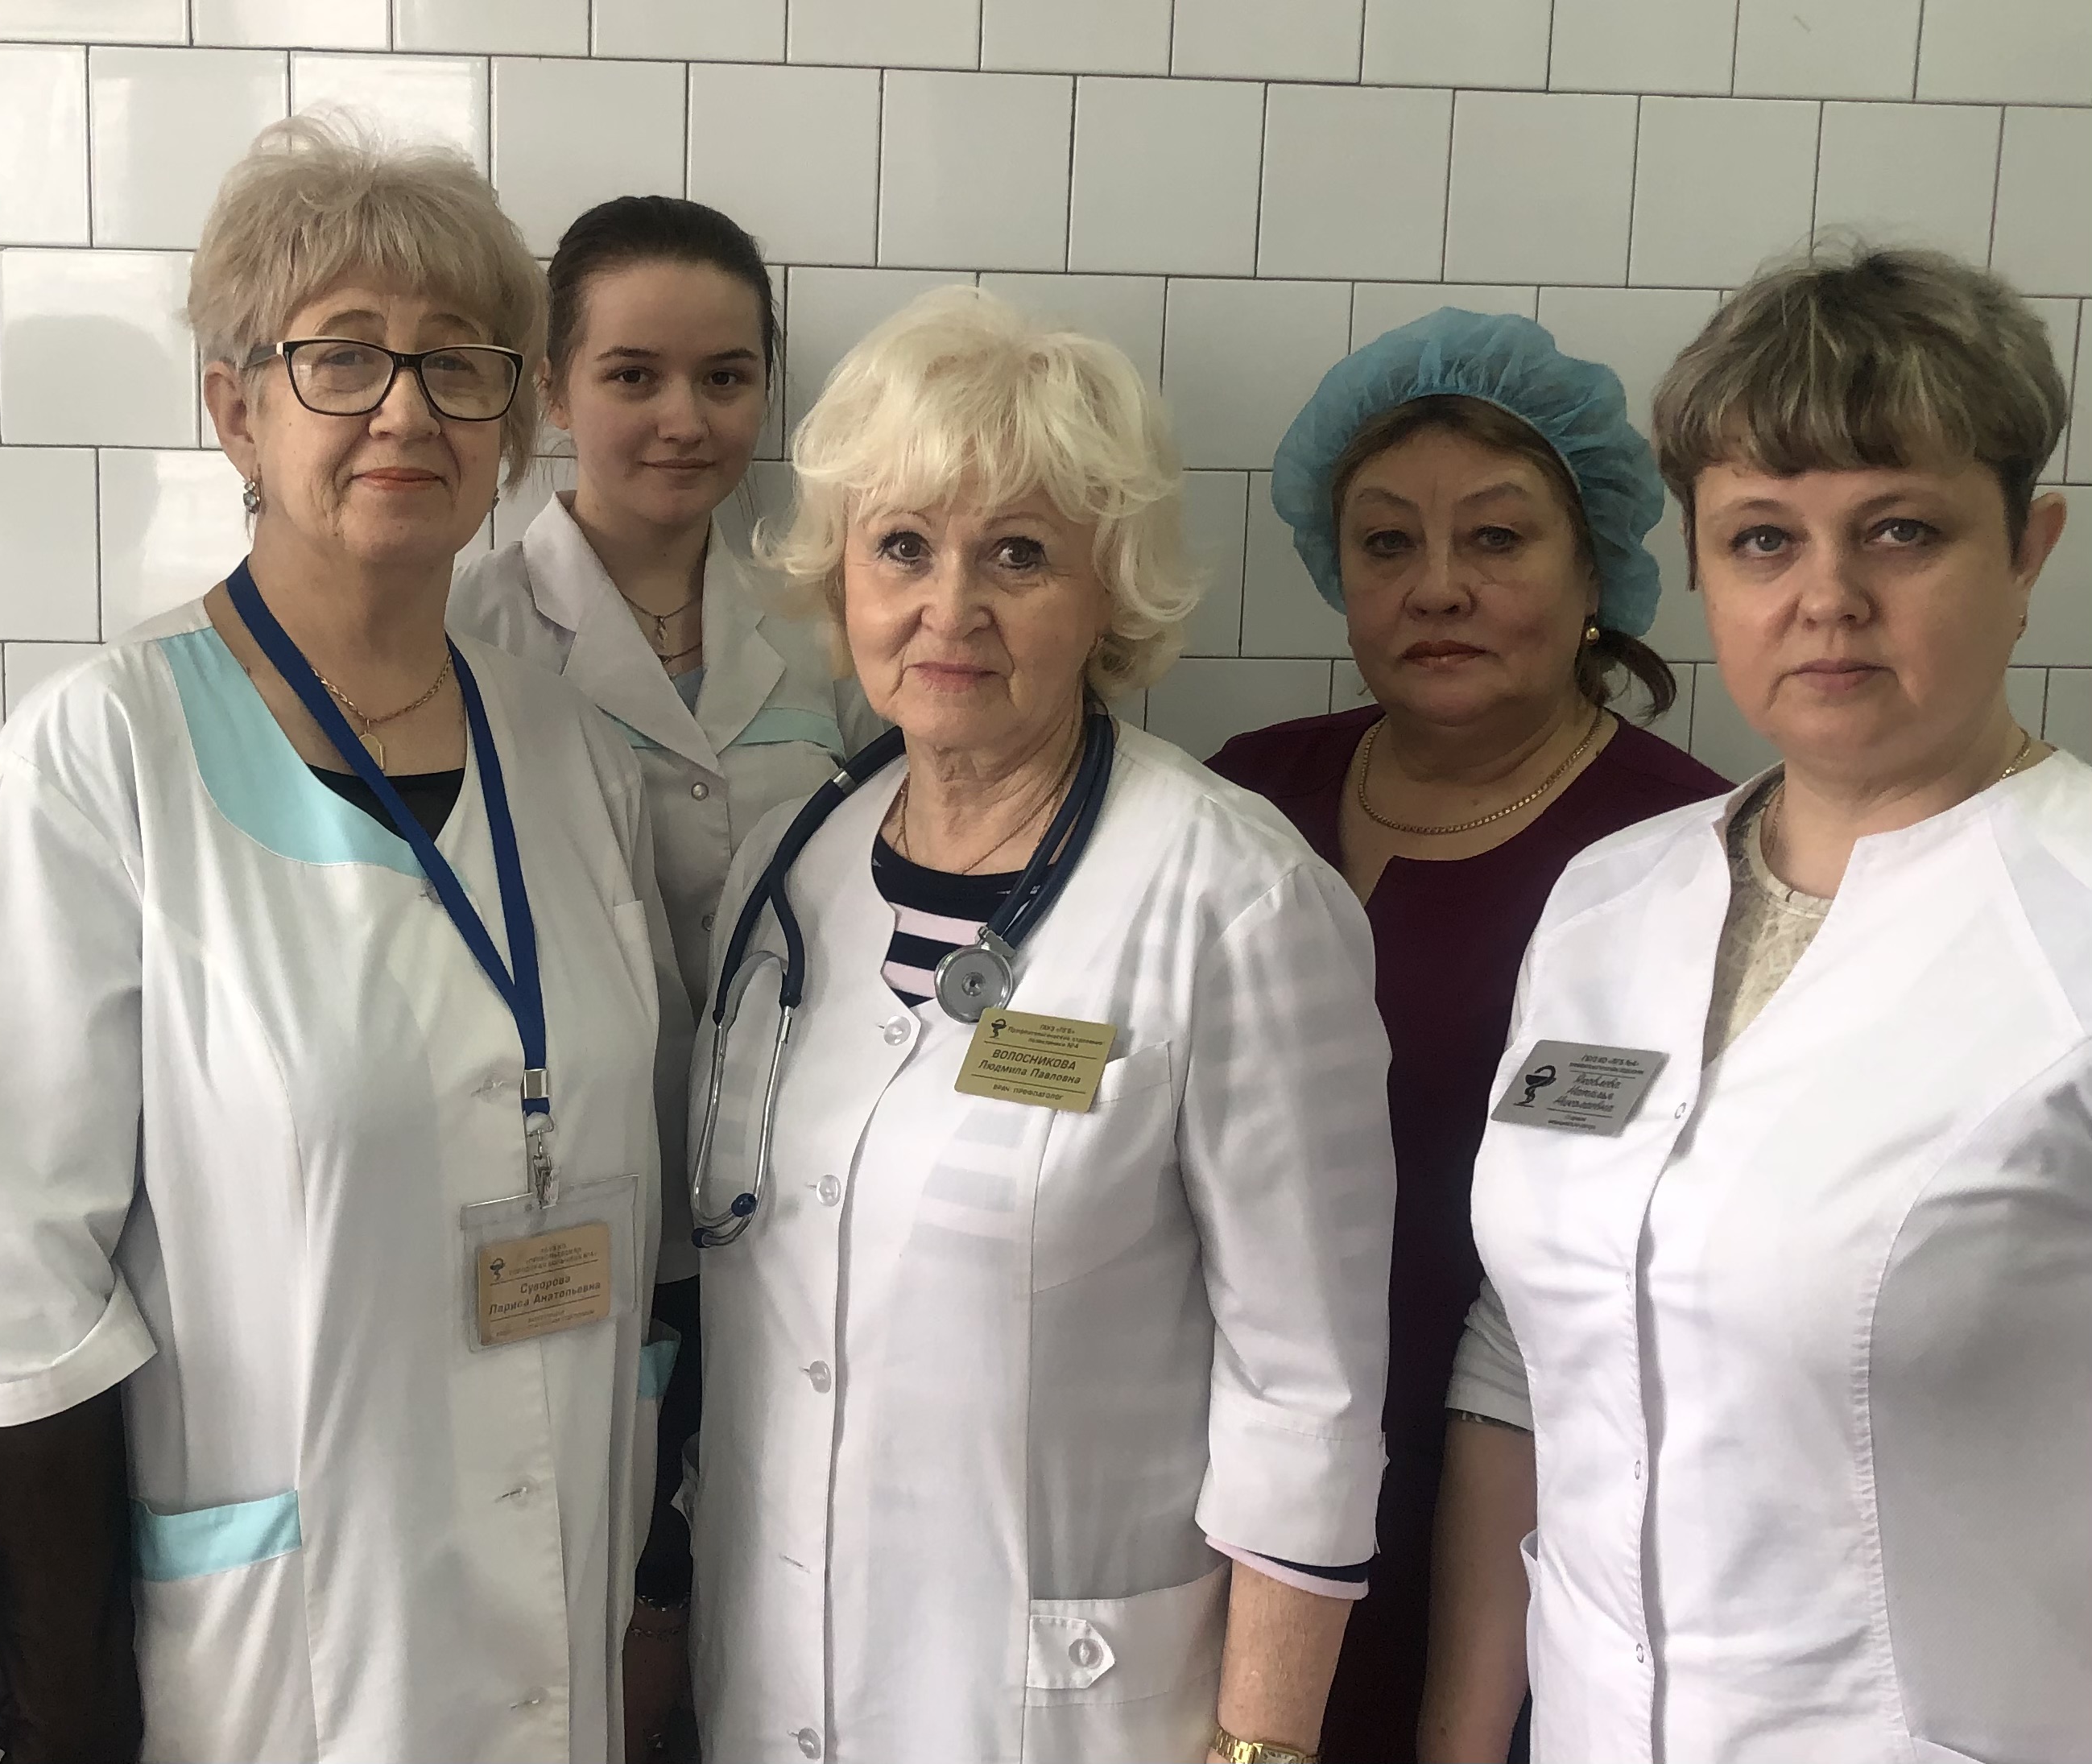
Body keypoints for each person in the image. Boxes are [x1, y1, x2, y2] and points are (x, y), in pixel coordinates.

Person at [0, 116, 680, 1762]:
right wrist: (61, 1707)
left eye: (457, 364)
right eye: (341, 357)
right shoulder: (103, 757)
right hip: (283, 1649)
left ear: (508, 421)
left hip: (562, 1599)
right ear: (233, 408)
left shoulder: (569, 755)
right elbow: (13, 1292)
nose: (405, 409)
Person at [688, 287, 1395, 1764]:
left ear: (1106, 594)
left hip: (1062, 1708)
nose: (950, 607)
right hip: (771, 1684)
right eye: (902, 546)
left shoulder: (1233, 897)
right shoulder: (785, 872)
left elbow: (1308, 1393)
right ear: (841, 579)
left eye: (1019, 553)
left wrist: (1261, 1752)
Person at [1422, 244, 2082, 1763]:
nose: (1827, 600)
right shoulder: (1608, 899)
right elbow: (1523, 1351)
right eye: (1764, 539)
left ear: (2027, 551)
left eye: (1902, 530)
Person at [1205, 311, 1727, 1759]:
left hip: (1533, 1511)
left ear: (1596, 570)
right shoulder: (1243, 801)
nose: (1438, 585)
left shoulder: (1682, 851)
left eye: (1497, 539)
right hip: (1230, 1495)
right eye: (1387, 544)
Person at [448, 194, 882, 1739]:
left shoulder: (829, 628)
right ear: (553, 393)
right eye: (633, 375)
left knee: (756, 1536)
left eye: (725, 376)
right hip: (560, 1192)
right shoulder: (469, 629)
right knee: (584, 1557)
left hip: (793, 1187)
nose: (685, 419)